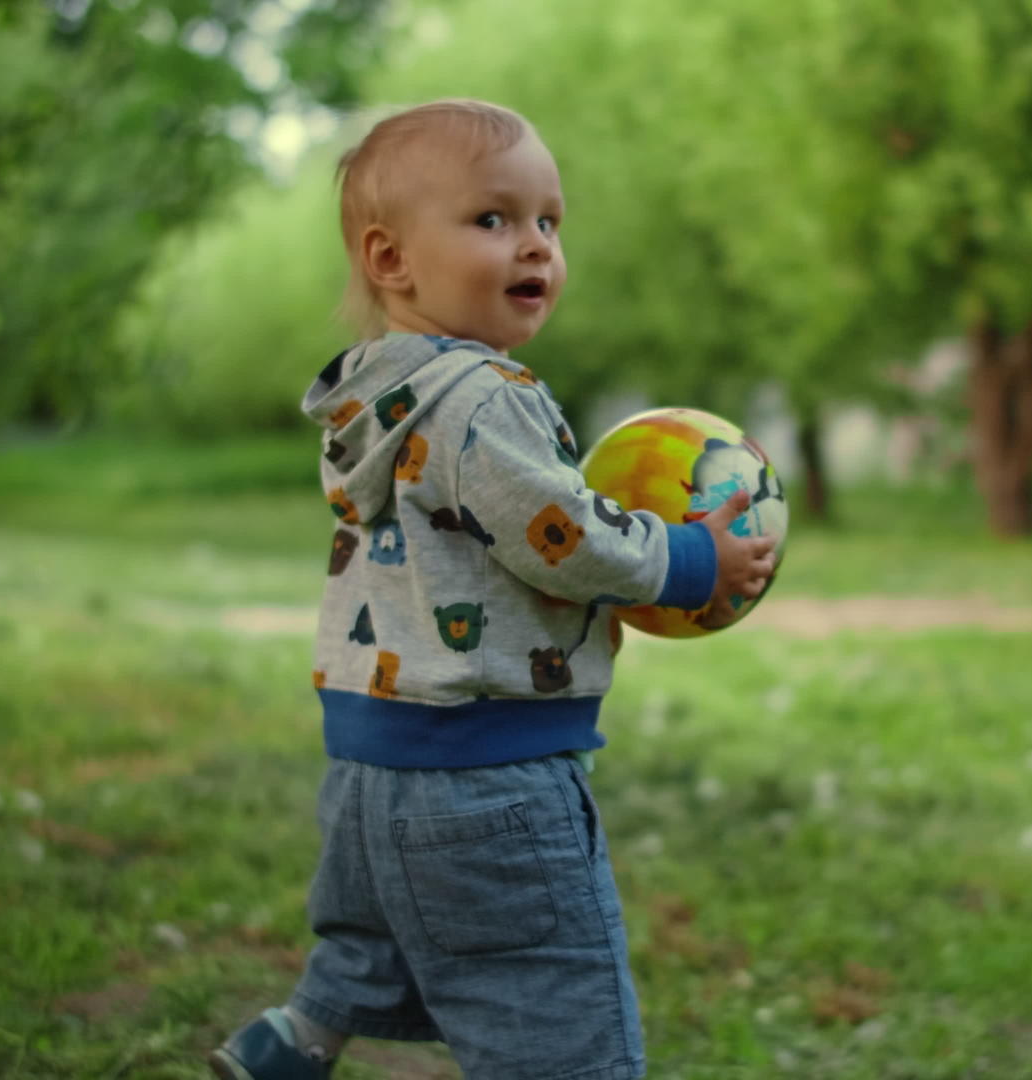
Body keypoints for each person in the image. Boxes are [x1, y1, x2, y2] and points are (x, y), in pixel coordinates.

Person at [208, 99, 776, 1080]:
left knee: (379, 925)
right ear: (391, 261)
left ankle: (299, 1038)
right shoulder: (482, 401)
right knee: (554, 997)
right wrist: (690, 560)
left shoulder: (377, 396)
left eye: (549, 223)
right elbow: (565, 538)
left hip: (372, 761)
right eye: (493, 220)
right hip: (486, 776)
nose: (535, 247)